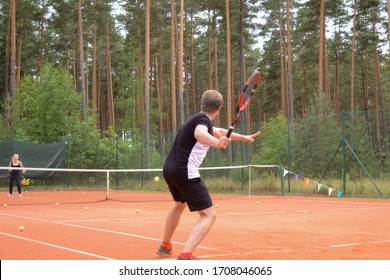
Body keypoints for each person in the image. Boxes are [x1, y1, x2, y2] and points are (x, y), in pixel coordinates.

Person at [156, 90, 261, 260]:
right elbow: (200, 134)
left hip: (170, 169)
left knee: (179, 205)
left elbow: (219, 131)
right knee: (209, 215)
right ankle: (186, 255)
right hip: (185, 171)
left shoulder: (196, 119)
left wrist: (243, 137)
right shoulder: (203, 121)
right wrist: (216, 143)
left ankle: (165, 245)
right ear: (218, 109)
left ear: (203, 103)